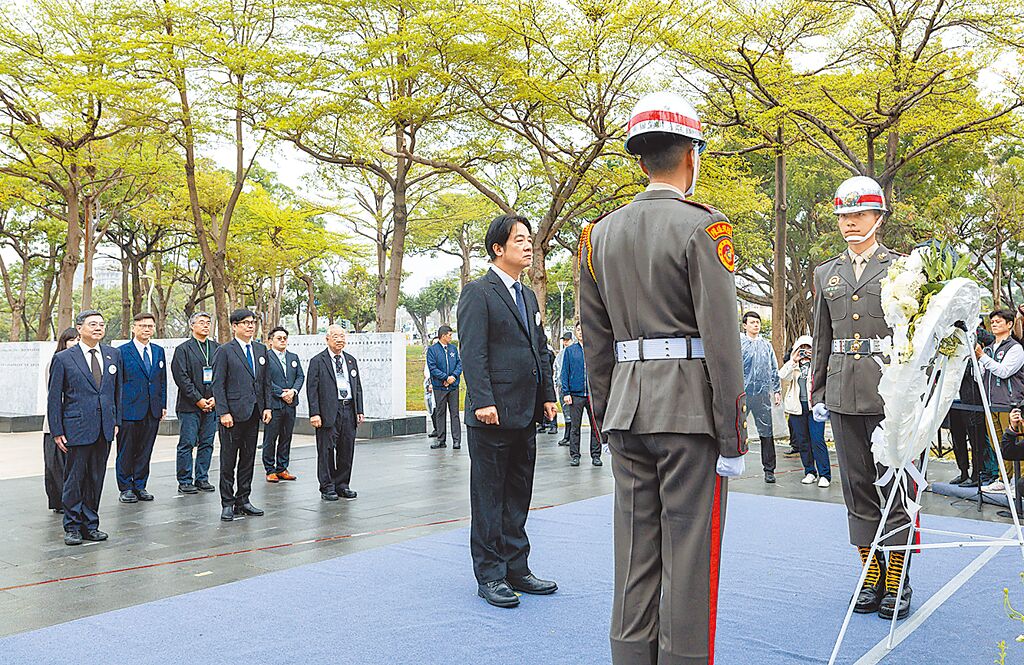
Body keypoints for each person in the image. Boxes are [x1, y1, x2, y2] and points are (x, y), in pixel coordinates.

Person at [579, 91, 747, 664]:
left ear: (639, 158)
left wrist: (605, 416)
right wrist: (733, 433)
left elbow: (595, 342)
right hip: (689, 416)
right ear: (691, 156)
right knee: (689, 558)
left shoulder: (598, 235)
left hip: (627, 411)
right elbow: (723, 345)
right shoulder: (705, 228)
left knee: (635, 558)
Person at [811, 175, 913, 621]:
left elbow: (916, 335)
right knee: (856, 484)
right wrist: (815, 388)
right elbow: (822, 335)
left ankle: (898, 577)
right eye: (844, 216)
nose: (851, 223)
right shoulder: (825, 273)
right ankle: (871, 570)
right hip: (841, 389)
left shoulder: (903, 269)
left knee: (893, 484)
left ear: (878, 217)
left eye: (859, 214)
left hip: (889, 390)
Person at [457, 212, 559, 609]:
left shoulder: (528, 295)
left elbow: (540, 350)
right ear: (498, 248)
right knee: (489, 496)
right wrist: (482, 400)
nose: (529, 245)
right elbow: (473, 352)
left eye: (529, 239)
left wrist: (547, 395)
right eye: (520, 240)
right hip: (492, 414)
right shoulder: (478, 292)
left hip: (525, 412)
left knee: (518, 493)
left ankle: (518, 567)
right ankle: (490, 574)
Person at [47, 310, 123, 546]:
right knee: (75, 478)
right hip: (76, 427)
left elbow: (117, 392)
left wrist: (116, 421)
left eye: (101, 324)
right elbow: (54, 398)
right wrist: (57, 430)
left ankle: (91, 524)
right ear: (79, 328)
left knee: (96, 477)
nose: (98, 328)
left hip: (105, 427)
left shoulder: (113, 355)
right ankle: (72, 527)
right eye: (93, 324)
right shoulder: (64, 358)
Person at [211, 308, 272, 522]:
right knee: (228, 460)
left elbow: (264, 382)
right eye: (245, 322)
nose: (250, 326)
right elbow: (218, 384)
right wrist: (223, 411)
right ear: (234, 326)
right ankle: (227, 503)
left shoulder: (260, 350)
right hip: (232, 415)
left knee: (248, 459)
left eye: (252, 322)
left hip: (254, 412)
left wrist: (267, 407)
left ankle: (243, 499)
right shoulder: (225, 351)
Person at [306, 325, 364, 501]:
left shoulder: (351, 360)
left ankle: (342, 484)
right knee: (326, 450)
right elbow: (312, 390)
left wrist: (359, 410)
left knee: (346, 449)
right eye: (336, 336)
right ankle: (327, 486)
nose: (340, 340)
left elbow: (357, 387)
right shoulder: (318, 361)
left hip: (348, 409)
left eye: (342, 336)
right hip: (328, 412)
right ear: (327, 339)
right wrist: (314, 413)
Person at [115, 312, 167, 504]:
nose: (147, 329)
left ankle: (140, 485)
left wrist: (162, 404)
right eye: (143, 326)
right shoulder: (121, 352)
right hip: (129, 409)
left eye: (150, 326)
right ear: (133, 328)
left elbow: (161, 380)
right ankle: (125, 487)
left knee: (146, 450)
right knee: (126, 450)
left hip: (152, 410)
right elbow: (117, 383)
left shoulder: (158, 351)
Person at [975, 308, 1024, 493]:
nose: (994, 324)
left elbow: (1004, 371)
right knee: (998, 444)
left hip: (1010, 404)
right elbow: (980, 376)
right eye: (992, 322)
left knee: (1015, 444)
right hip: (990, 403)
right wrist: (977, 361)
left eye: (998, 321)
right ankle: (1004, 479)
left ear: (1009, 324)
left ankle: (1019, 483)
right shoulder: (987, 349)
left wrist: (983, 358)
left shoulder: (1015, 348)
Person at [172, 312, 219, 494]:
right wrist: (198, 399)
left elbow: (222, 375)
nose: (206, 326)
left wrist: (215, 398)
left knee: (207, 443)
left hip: (212, 405)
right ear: (192, 326)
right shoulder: (183, 349)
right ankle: (184, 480)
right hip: (189, 405)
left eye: (208, 322)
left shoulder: (216, 348)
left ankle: (202, 478)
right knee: (187, 443)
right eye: (201, 323)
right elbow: (182, 378)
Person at [780, 335, 831, 487]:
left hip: (815, 407)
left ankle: (824, 475)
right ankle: (810, 472)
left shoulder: (818, 365)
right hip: (797, 409)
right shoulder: (793, 366)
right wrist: (793, 360)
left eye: (809, 348)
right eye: (802, 348)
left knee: (817, 440)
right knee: (803, 442)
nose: (805, 351)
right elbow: (782, 376)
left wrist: (814, 360)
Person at [947, 324, 993, 486]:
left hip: (972, 397)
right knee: (957, 438)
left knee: (976, 439)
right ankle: (963, 472)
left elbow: (991, 339)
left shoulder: (974, 334)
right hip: (953, 398)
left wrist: (970, 328)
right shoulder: (949, 338)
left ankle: (977, 474)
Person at [740, 311, 782, 483]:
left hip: (762, 395)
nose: (756, 325)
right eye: (752, 322)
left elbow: (773, 368)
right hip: (742, 394)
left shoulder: (766, 345)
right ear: (745, 325)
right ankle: (728, 464)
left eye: (757, 322)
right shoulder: (739, 344)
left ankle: (769, 469)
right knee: (734, 429)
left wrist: (777, 390)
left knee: (766, 433)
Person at [43, 327, 80, 513]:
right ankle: (59, 501)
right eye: (71, 339)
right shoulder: (56, 362)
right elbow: (54, 397)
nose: (74, 343)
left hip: (75, 423)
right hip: (55, 423)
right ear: (63, 342)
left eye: (77, 339)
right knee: (55, 466)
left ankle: (71, 499)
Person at [263, 326, 304, 482]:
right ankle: (270, 469)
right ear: (270, 341)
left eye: (284, 338)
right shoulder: (265, 357)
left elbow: (300, 376)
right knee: (270, 437)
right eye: (278, 338)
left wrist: (293, 391)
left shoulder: (293, 357)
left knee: (286, 437)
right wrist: (281, 393)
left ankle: (282, 467)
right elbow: (264, 380)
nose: (282, 341)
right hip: (274, 404)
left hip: (290, 403)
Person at [561, 321, 602, 467]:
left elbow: (601, 372)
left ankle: (596, 455)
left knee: (595, 427)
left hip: (593, 395)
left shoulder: (595, 350)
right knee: (575, 427)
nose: (580, 332)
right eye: (578, 330)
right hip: (575, 395)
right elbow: (564, 373)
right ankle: (575, 455)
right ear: (575, 332)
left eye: (582, 329)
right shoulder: (570, 351)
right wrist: (566, 392)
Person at [427, 325, 462, 450]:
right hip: (439, 387)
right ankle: (441, 440)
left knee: (455, 413)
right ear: (443, 336)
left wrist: (452, 377)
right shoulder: (432, 350)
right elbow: (432, 368)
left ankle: (457, 441)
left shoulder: (453, 349)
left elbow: (459, 364)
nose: (451, 337)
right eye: (449, 335)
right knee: (440, 413)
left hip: (453, 386)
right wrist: (445, 378)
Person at [553, 331, 573, 445]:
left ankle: (570, 436)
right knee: (565, 412)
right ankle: (567, 435)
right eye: (564, 340)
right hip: (561, 386)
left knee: (571, 413)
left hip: (570, 387)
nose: (565, 342)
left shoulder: (574, 352)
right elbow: (556, 369)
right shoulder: (561, 354)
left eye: (567, 340)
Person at [424, 338, 438, 438]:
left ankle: (440, 430)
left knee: (438, 408)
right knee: (431, 407)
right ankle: (436, 428)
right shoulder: (430, 356)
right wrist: (430, 383)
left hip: (441, 385)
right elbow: (427, 371)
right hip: (430, 385)